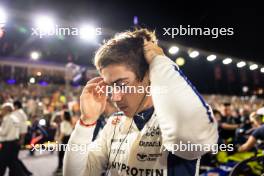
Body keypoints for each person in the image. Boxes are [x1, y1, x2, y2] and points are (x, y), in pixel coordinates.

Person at [64, 28, 218, 176]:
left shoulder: (174, 120)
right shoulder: (114, 123)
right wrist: (86, 123)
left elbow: (199, 136)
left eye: (122, 84)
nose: (114, 97)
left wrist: (160, 62)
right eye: (110, 87)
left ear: (148, 76)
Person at [0, 103, 25, 176]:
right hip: (14, 142)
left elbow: (4, 132)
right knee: (12, 162)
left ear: (6, 110)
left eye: (2, 109)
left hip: (7, 144)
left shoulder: (7, 118)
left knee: (3, 162)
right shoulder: (15, 118)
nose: (1, 111)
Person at [12, 100, 32, 176]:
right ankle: (24, 172)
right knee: (13, 157)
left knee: (13, 157)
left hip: (17, 137)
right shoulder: (21, 113)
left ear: (16, 106)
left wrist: (22, 138)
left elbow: (22, 127)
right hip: (19, 136)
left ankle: (23, 173)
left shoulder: (17, 114)